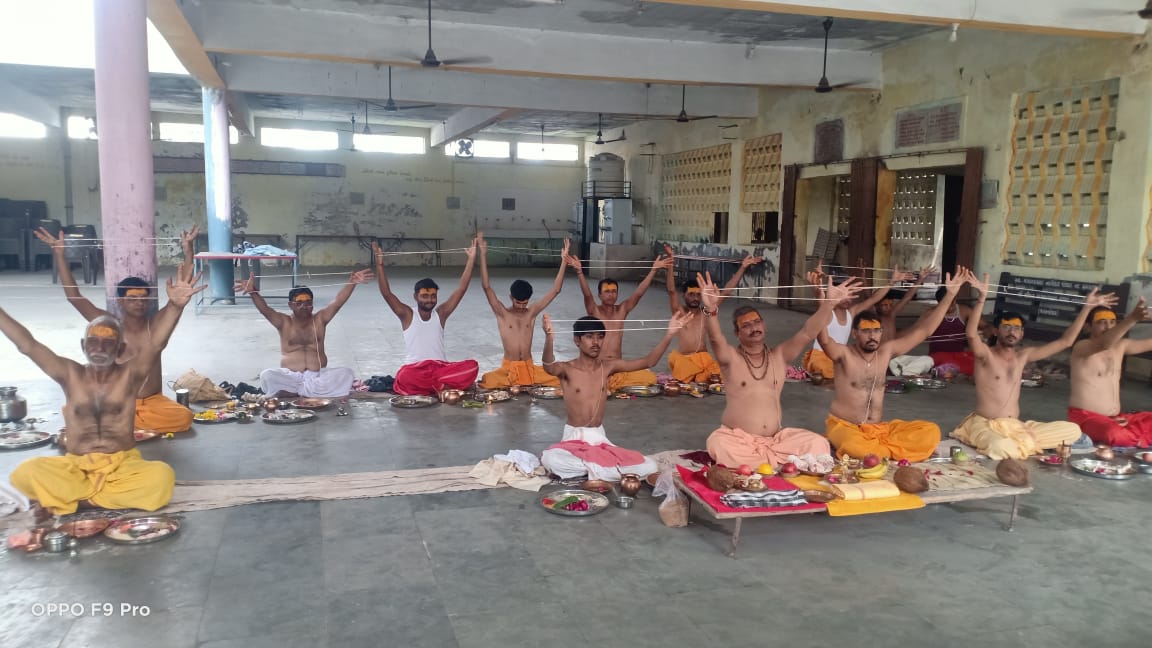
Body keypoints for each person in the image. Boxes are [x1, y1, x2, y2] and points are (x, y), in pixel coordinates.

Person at [4, 274, 204, 515]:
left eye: (108, 342)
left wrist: (175, 306)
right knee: (25, 473)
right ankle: (96, 498)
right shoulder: (69, 374)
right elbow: (27, 345)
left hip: (121, 464)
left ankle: (76, 500)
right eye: (93, 341)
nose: (99, 348)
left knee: (161, 477)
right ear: (83, 345)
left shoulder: (130, 375)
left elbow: (155, 345)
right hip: (76, 465)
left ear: (120, 349)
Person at [32, 225, 199, 434]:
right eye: (132, 298)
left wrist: (188, 250)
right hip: (119, 401)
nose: (139, 303)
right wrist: (59, 254)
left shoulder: (156, 324)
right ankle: (122, 424)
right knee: (80, 411)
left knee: (184, 417)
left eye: (143, 298)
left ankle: (119, 425)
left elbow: (181, 292)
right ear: (121, 301)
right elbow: (74, 297)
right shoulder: (110, 324)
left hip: (152, 402)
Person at [698, 271, 863, 468]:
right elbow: (716, 338)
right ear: (737, 333)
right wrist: (710, 310)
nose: (754, 328)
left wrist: (829, 304)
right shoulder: (730, 358)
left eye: (757, 322)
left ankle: (760, 465)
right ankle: (770, 465)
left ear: (764, 325)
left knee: (818, 443)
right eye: (746, 325)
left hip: (776, 440)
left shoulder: (780, 355)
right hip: (739, 440)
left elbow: (808, 332)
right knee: (718, 443)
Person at [950, 274, 1116, 459]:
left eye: (1017, 328)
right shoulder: (985, 355)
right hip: (986, 424)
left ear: (1021, 334)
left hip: (1016, 426)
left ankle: (1021, 442)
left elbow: (1066, 341)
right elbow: (972, 335)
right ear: (996, 331)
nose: (1012, 332)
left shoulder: (1023, 356)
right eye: (1007, 327)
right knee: (1000, 446)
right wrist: (982, 299)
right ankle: (1024, 443)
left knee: (1073, 430)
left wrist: (1087, 308)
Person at [821, 267, 974, 461]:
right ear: (854, 333)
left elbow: (925, 331)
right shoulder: (844, 354)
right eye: (866, 331)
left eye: (876, 331)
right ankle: (883, 450)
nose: (872, 336)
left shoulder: (885, 353)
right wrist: (825, 304)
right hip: (846, 427)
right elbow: (823, 339)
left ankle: (882, 449)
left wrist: (949, 295)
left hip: (878, 429)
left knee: (931, 431)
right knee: (857, 447)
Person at [538, 312, 688, 480]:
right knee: (551, 460)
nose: (596, 342)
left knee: (649, 466)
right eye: (589, 337)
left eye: (600, 337)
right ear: (577, 340)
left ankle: (593, 470)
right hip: (574, 438)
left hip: (599, 439)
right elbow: (548, 366)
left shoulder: (608, 367)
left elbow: (649, 362)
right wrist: (549, 338)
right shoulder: (567, 369)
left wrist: (669, 334)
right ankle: (604, 470)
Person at [238, 269, 374, 398]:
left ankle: (295, 392)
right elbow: (265, 310)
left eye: (308, 302)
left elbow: (337, 303)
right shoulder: (283, 322)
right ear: (291, 305)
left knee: (346, 374)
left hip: (317, 376)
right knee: (267, 375)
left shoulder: (320, 319)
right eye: (299, 303)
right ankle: (309, 392)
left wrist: (352, 282)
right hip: (290, 377)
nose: (304, 306)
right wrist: (253, 292)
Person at [374, 235, 479, 396]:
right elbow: (387, 293)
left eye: (433, 296)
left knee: (472, 366)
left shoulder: (441, 314)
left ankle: (435, 385)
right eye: (424, 296)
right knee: (404, 376)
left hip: (440, 368)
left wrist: (471, 259)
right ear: (415, 297)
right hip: (415, 370)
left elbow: (461, 289)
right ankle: (441, 386)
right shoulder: (407, 315)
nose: (429, 300)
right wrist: (380, 265)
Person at [565, 252, 673, 390]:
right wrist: (580, 272)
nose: (611, 295)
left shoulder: (622, 310)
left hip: (617, 366)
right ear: (599, 295)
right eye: (607, 291)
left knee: (649, 377)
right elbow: (587, 294)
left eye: (614, 291)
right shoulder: (594, 311)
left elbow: (638, 294)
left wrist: (653, 270)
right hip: (597, 366)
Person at [477, 236, 570, 389]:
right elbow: (486, 287)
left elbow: (556, 290)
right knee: (486, 380)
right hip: (508, 368)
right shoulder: (502, 313)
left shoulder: (531, 313)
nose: (521, 306)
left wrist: (564, 260)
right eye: (518, 302)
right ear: (511, 297)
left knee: (562, 377)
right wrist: (483, 255)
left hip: (529, 367)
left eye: (524, 303)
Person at [662, 243, 762, 383]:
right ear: (683, 296)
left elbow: (726, 292)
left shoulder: (706, 311)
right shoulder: (680, 312)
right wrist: (671, 261)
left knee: (719, 375)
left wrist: (743, 267)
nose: (695, 298)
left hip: (704, 359)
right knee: (685, 373)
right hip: (685, 360)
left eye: (698, 295)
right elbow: (672, 291)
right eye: (691, 294)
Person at [802, 262, 913, 381]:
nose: (847, 299)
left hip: (837, 356)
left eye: (850, 295)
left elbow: (874, 299)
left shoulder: (851, 313)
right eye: (843, 295)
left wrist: (891, 282)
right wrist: (819, 290)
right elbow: (821, 304)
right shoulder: (828, 312)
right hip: (820, 358)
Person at [1069, 300, 1152, 446]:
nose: (1108, 326)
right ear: (1088, 327)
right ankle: (1134, 437)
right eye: (1102, 322)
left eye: (1112, 322)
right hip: (1086, 418)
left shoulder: (1121, 345)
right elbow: (1104, 343)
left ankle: (1131, 435)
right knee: (1113, 433)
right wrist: (1132, 318)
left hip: (1117, 418)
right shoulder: (1082, 347)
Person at [926, 284, 990, 378]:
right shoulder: (930, 314)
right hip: (938, 355)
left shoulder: (964, 311)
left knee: (979, 363)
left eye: (953, 302)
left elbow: (985, 326)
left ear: (955, 299)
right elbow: (918, 333)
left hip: (959, 355)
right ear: (939, 303)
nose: (951, 306)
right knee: (941, 367)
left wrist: (984, 336)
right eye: (947, 303)